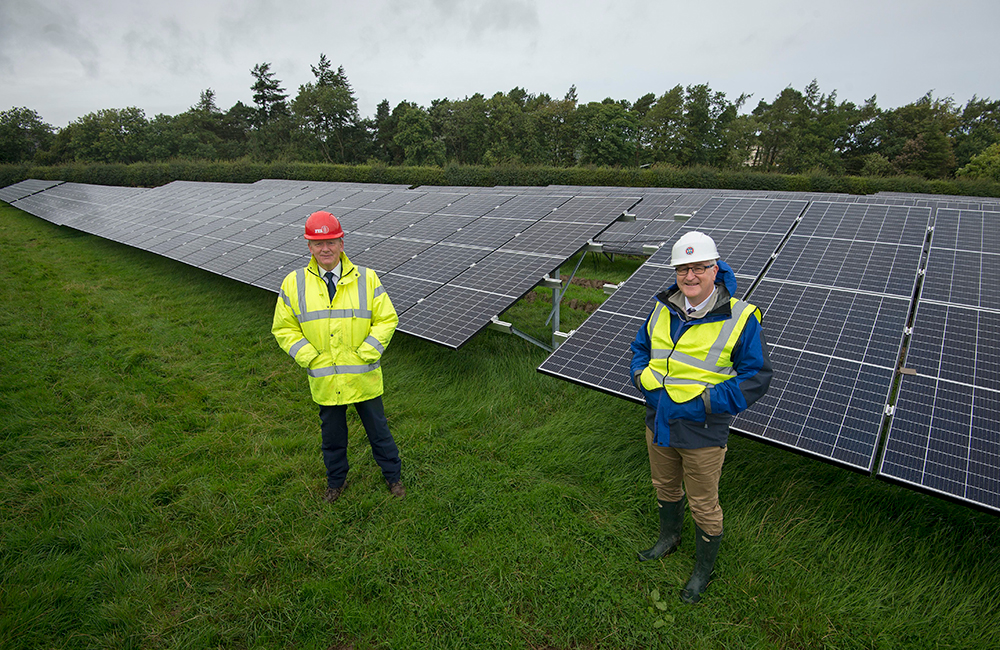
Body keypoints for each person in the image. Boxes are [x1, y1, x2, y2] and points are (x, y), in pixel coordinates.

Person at [629, 231, 772, 603]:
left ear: (715, 269)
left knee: (703, 504)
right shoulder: (663, 307)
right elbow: (640, 348)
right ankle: (668, 538)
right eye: (682, 269)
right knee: (664, 486)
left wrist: (703, 403)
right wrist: (642, 380)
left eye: (698, 268)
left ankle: (702, 571)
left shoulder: (740, 318)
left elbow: (755, 377)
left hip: (703, 432)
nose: (689, 276)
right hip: (658, 421)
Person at [272, 210, 405, 503]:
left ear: (342, 243)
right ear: (309, 247)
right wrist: (309, 356)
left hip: (363, 377)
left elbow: (387, 319)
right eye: (318, 244)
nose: (325, 249)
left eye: (331, 241)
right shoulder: (293, 283)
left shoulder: (367, 279)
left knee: (379, 432)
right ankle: (336, 483)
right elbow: (283, 328)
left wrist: (367, 352)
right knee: (332, 439)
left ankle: (393, 478)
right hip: (325, 379)